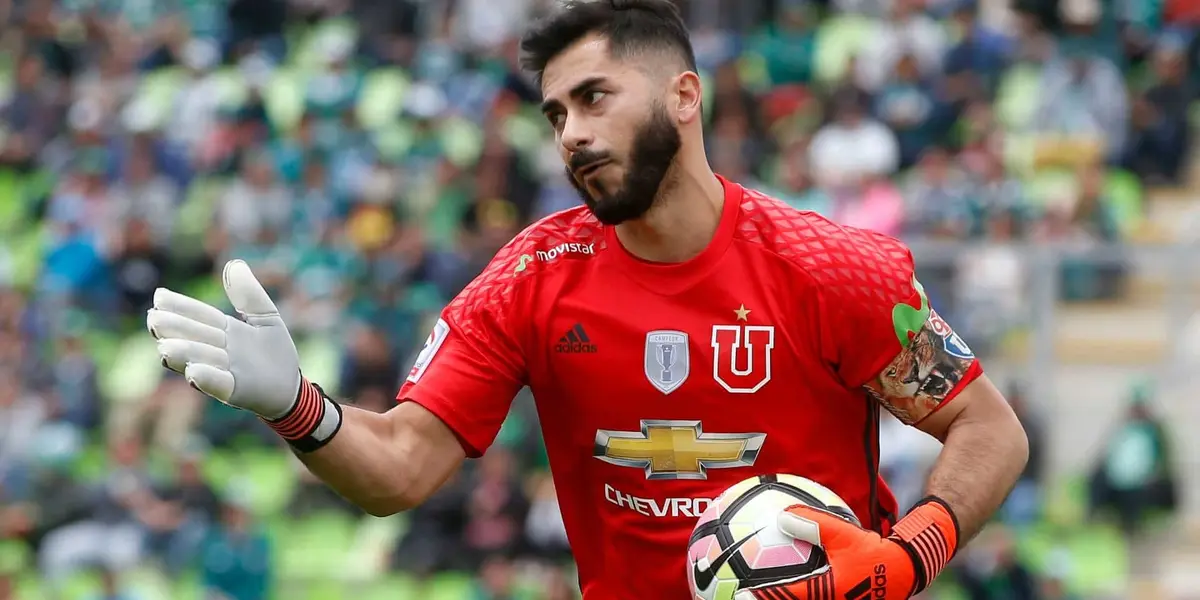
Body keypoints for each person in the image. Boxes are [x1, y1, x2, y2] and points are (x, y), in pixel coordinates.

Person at [144, 1, 1029, 598]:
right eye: (555, 113)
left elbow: (989, 429)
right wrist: (299, 411)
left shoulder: (832, 270)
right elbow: (403, 468)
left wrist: (911, 557)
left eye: (594, 98)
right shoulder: (529, 281)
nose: (571, 133)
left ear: (685, 96)